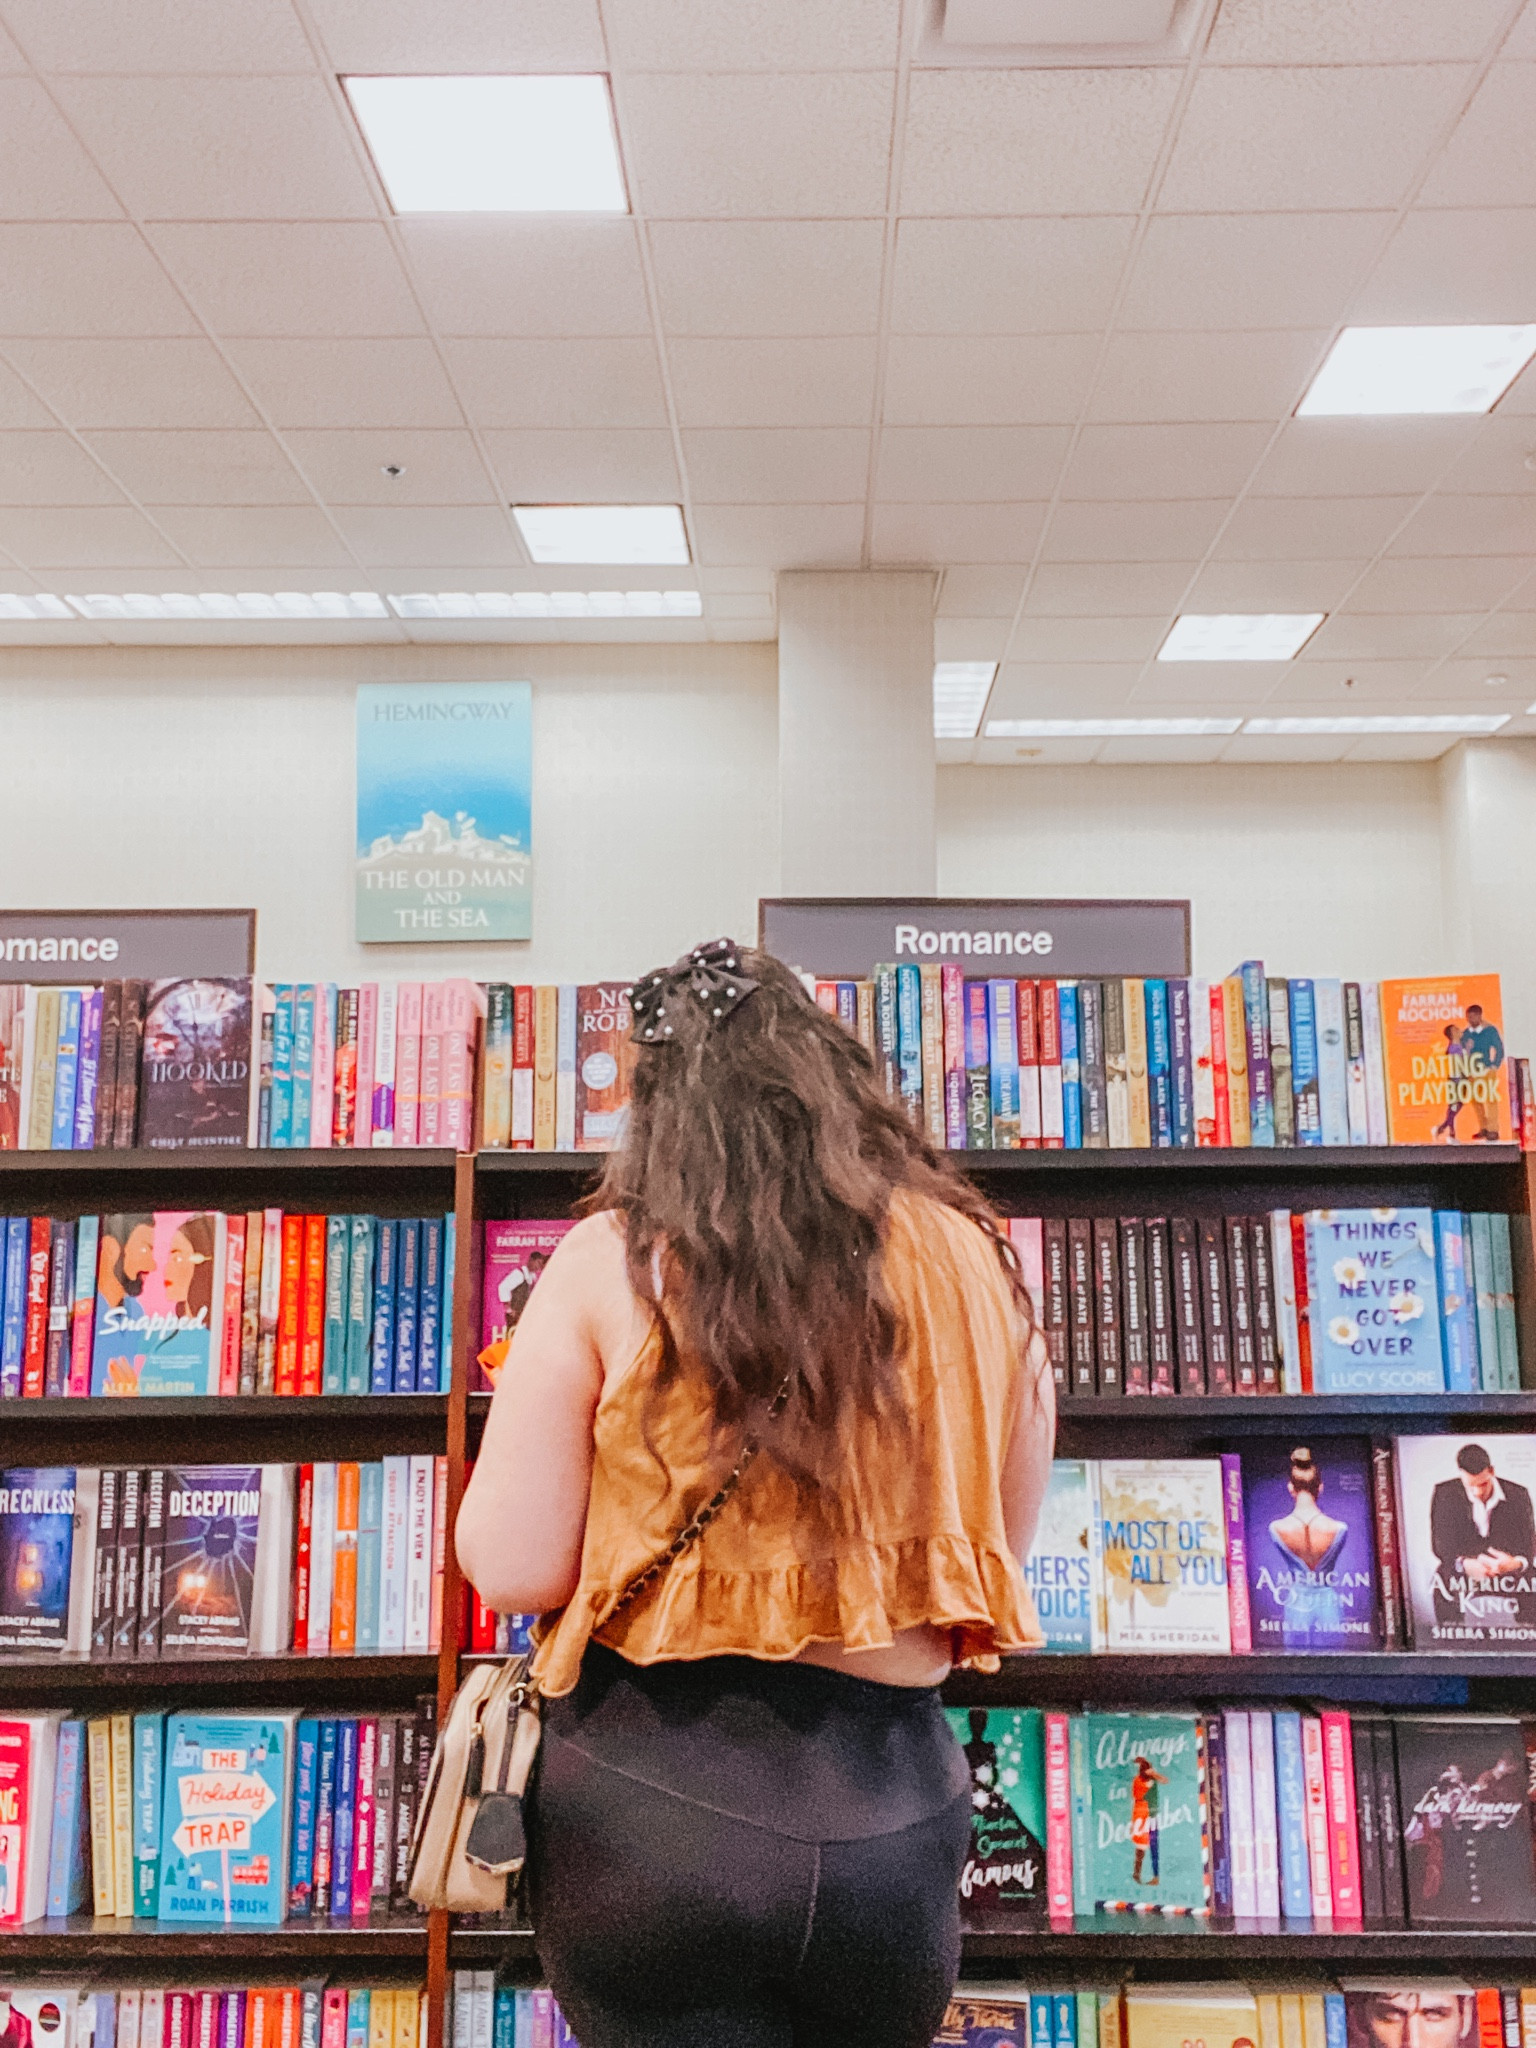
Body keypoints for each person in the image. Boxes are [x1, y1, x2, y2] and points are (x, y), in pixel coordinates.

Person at [456, 940, 1054, 2048]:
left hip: (654, 1804)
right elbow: (995, 1542)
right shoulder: (976, 1262)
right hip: (895, 1813)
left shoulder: (615, 1260)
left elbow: (512, 1562)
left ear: (662, 1112)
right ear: (835, 1079)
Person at [1429, 1443, 1536, 1629]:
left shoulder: (1518, 1494)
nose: (1478, 1492)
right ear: (1461, 1474)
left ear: (1491, 1471)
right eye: (1470, 1486)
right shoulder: (1445, 1493)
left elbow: (1529, 1545)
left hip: (1507, 1567)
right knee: (1442, 1582)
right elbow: (1441, 1545)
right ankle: (1450, 1640)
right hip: (1464, 1567)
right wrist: (1465, 1564)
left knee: (1533, 1583)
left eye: (1483, 1484)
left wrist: (1515, 1563)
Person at [1459, 1004, 1505, 1140]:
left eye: (1472, 1017)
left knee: (1490, 1099)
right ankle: (1483, 1127)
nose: (1469, 1019)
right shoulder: (1465, 1034)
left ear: (1479, 1016)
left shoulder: (1490, 1030)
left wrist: (1494, 1064)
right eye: (1468, 1017)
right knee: (1476, 1100)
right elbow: (1461, 1053)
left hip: (1486, 1070)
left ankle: (1493, 1129)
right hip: (1472, 1071)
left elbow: (1499, 1048)